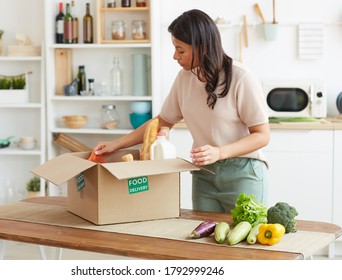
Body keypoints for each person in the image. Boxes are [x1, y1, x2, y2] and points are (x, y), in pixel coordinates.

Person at [93, 9, 270, 213]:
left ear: (201, 48)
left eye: (181, 50)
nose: (175, 56)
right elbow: (162, 121)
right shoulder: (184, 79)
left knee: (245, 240)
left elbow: (262, 135)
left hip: (243, 172)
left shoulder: (241, 78)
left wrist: (220, 152)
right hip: (204, 174)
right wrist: (116, 145)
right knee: (203, 241)